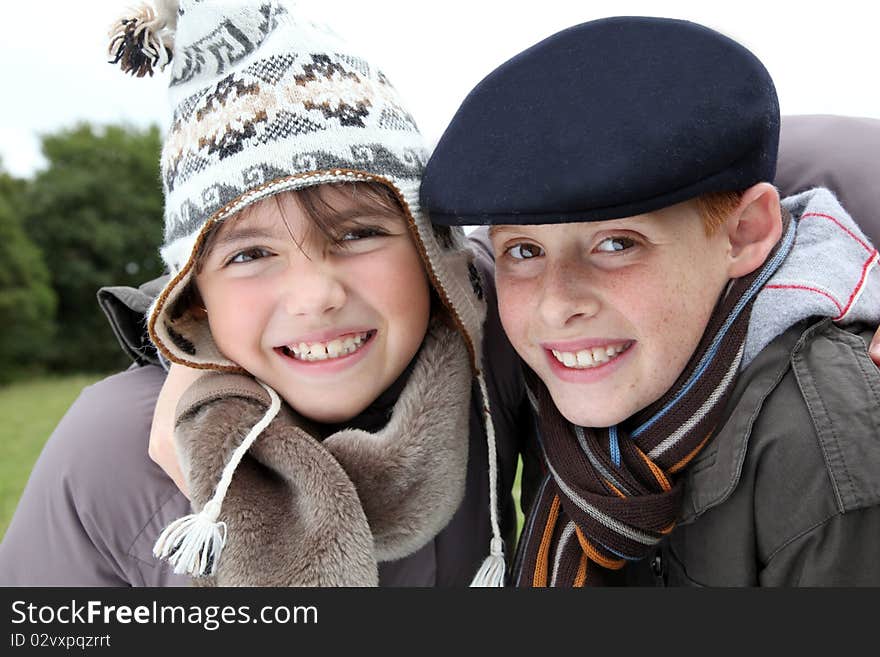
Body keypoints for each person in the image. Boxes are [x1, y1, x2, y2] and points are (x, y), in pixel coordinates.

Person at [0, 0, 528, 586]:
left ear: (431, 247)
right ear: (193, 295)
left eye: (358, 234)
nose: (313, 297)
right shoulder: (106, 452)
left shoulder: (494, 342)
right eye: (249, 255)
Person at [419, 16, 880, 585]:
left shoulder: (821, 440)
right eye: (524, 250)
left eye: (616, 243)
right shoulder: (585, 384)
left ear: (745, 233)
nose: (557, 305)